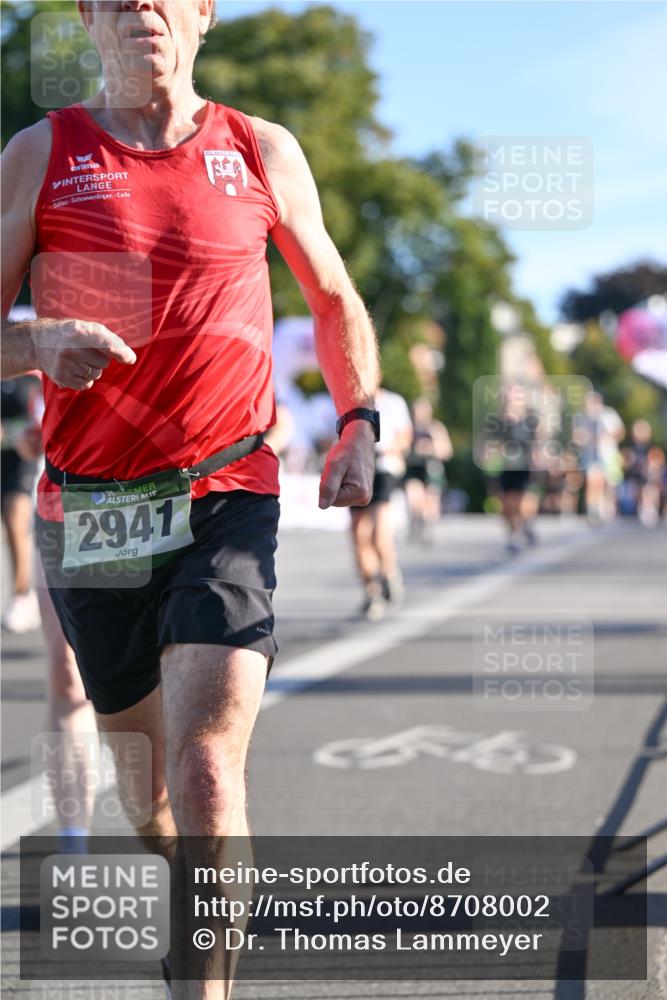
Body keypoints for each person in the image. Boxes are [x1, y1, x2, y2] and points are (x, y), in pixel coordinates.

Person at [1, 2, 379, 996]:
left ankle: (202, 983)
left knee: (208, 772)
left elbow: (333, 297)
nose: (139, 6)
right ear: (86, 20)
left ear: (203, 12)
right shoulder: (43, 151)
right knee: (151, 794)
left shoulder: (259, 148)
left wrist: (358, 423)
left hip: (227, 489)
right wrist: (35, 343)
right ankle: (190, 906)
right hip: (94, 513)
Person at [350, 385, 413, 620]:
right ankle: (371, 590)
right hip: (358, 465)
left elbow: (405, 437)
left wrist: (389, 449)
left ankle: (389, 572)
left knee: (379, 531)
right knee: (358, 533)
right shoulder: (348, 399)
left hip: (385, 467)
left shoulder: (393, 402)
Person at [1, 374, 42, 632]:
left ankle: (23, 593)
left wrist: (9, 432)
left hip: (23, 457)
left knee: (16, 520)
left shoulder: (31, 375)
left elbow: (43, 419)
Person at [403, 396, 453, 543]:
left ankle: (426, 526)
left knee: (431, 501)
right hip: (414, 467)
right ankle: (416, 520)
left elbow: (447, 452)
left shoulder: (436, 428)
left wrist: (431, 447)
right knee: (413, 497)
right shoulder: (409, 428)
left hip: (432, 468)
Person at [572, 390, 625, 524]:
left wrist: (608, 435)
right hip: (590, 455)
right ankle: (593, 510)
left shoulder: (609, 414)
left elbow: (620, 432)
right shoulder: (582, 417)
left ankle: (608, 508)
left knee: (609, 483)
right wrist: (583, 438)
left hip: (608, 455)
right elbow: (576, 437)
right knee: (593, 481)